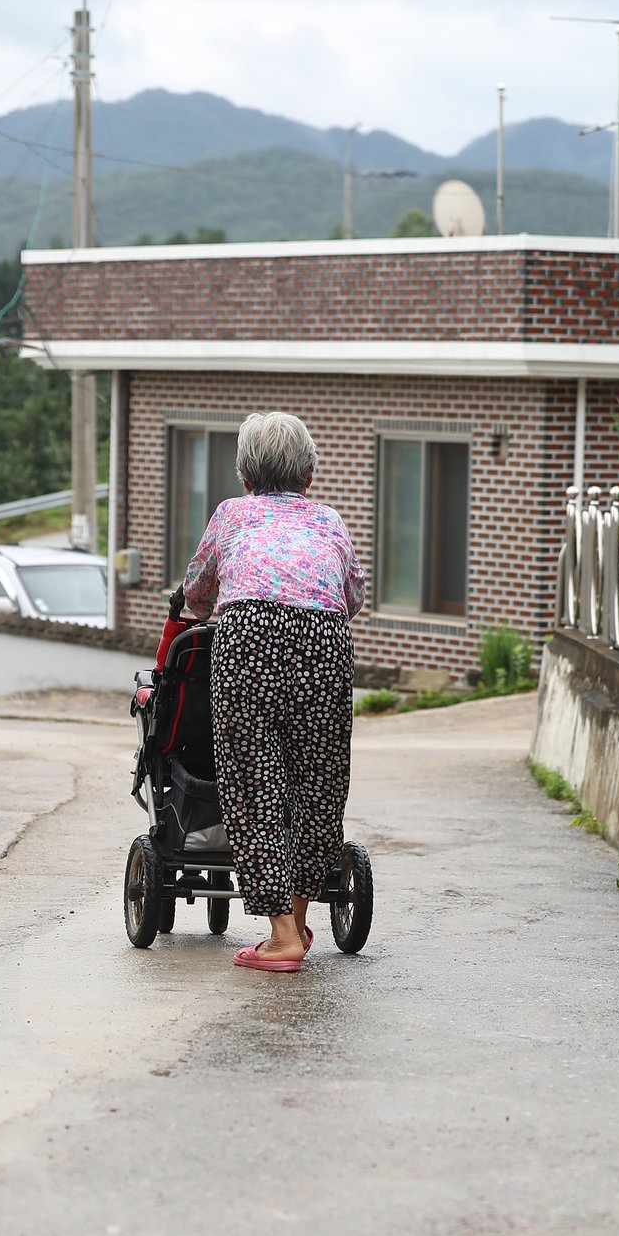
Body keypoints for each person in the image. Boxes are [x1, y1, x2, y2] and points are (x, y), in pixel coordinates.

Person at [182, 411, 365, 973]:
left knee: (252, 779)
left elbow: (197, 592)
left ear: (244, 476)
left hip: (248, 640)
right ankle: (300, 921)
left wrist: (210, 600)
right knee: (318, 780)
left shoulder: (232, 515)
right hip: (324, 638)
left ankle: (282, 936)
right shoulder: (329, 519)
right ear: (308, 477)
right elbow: (353, 592)